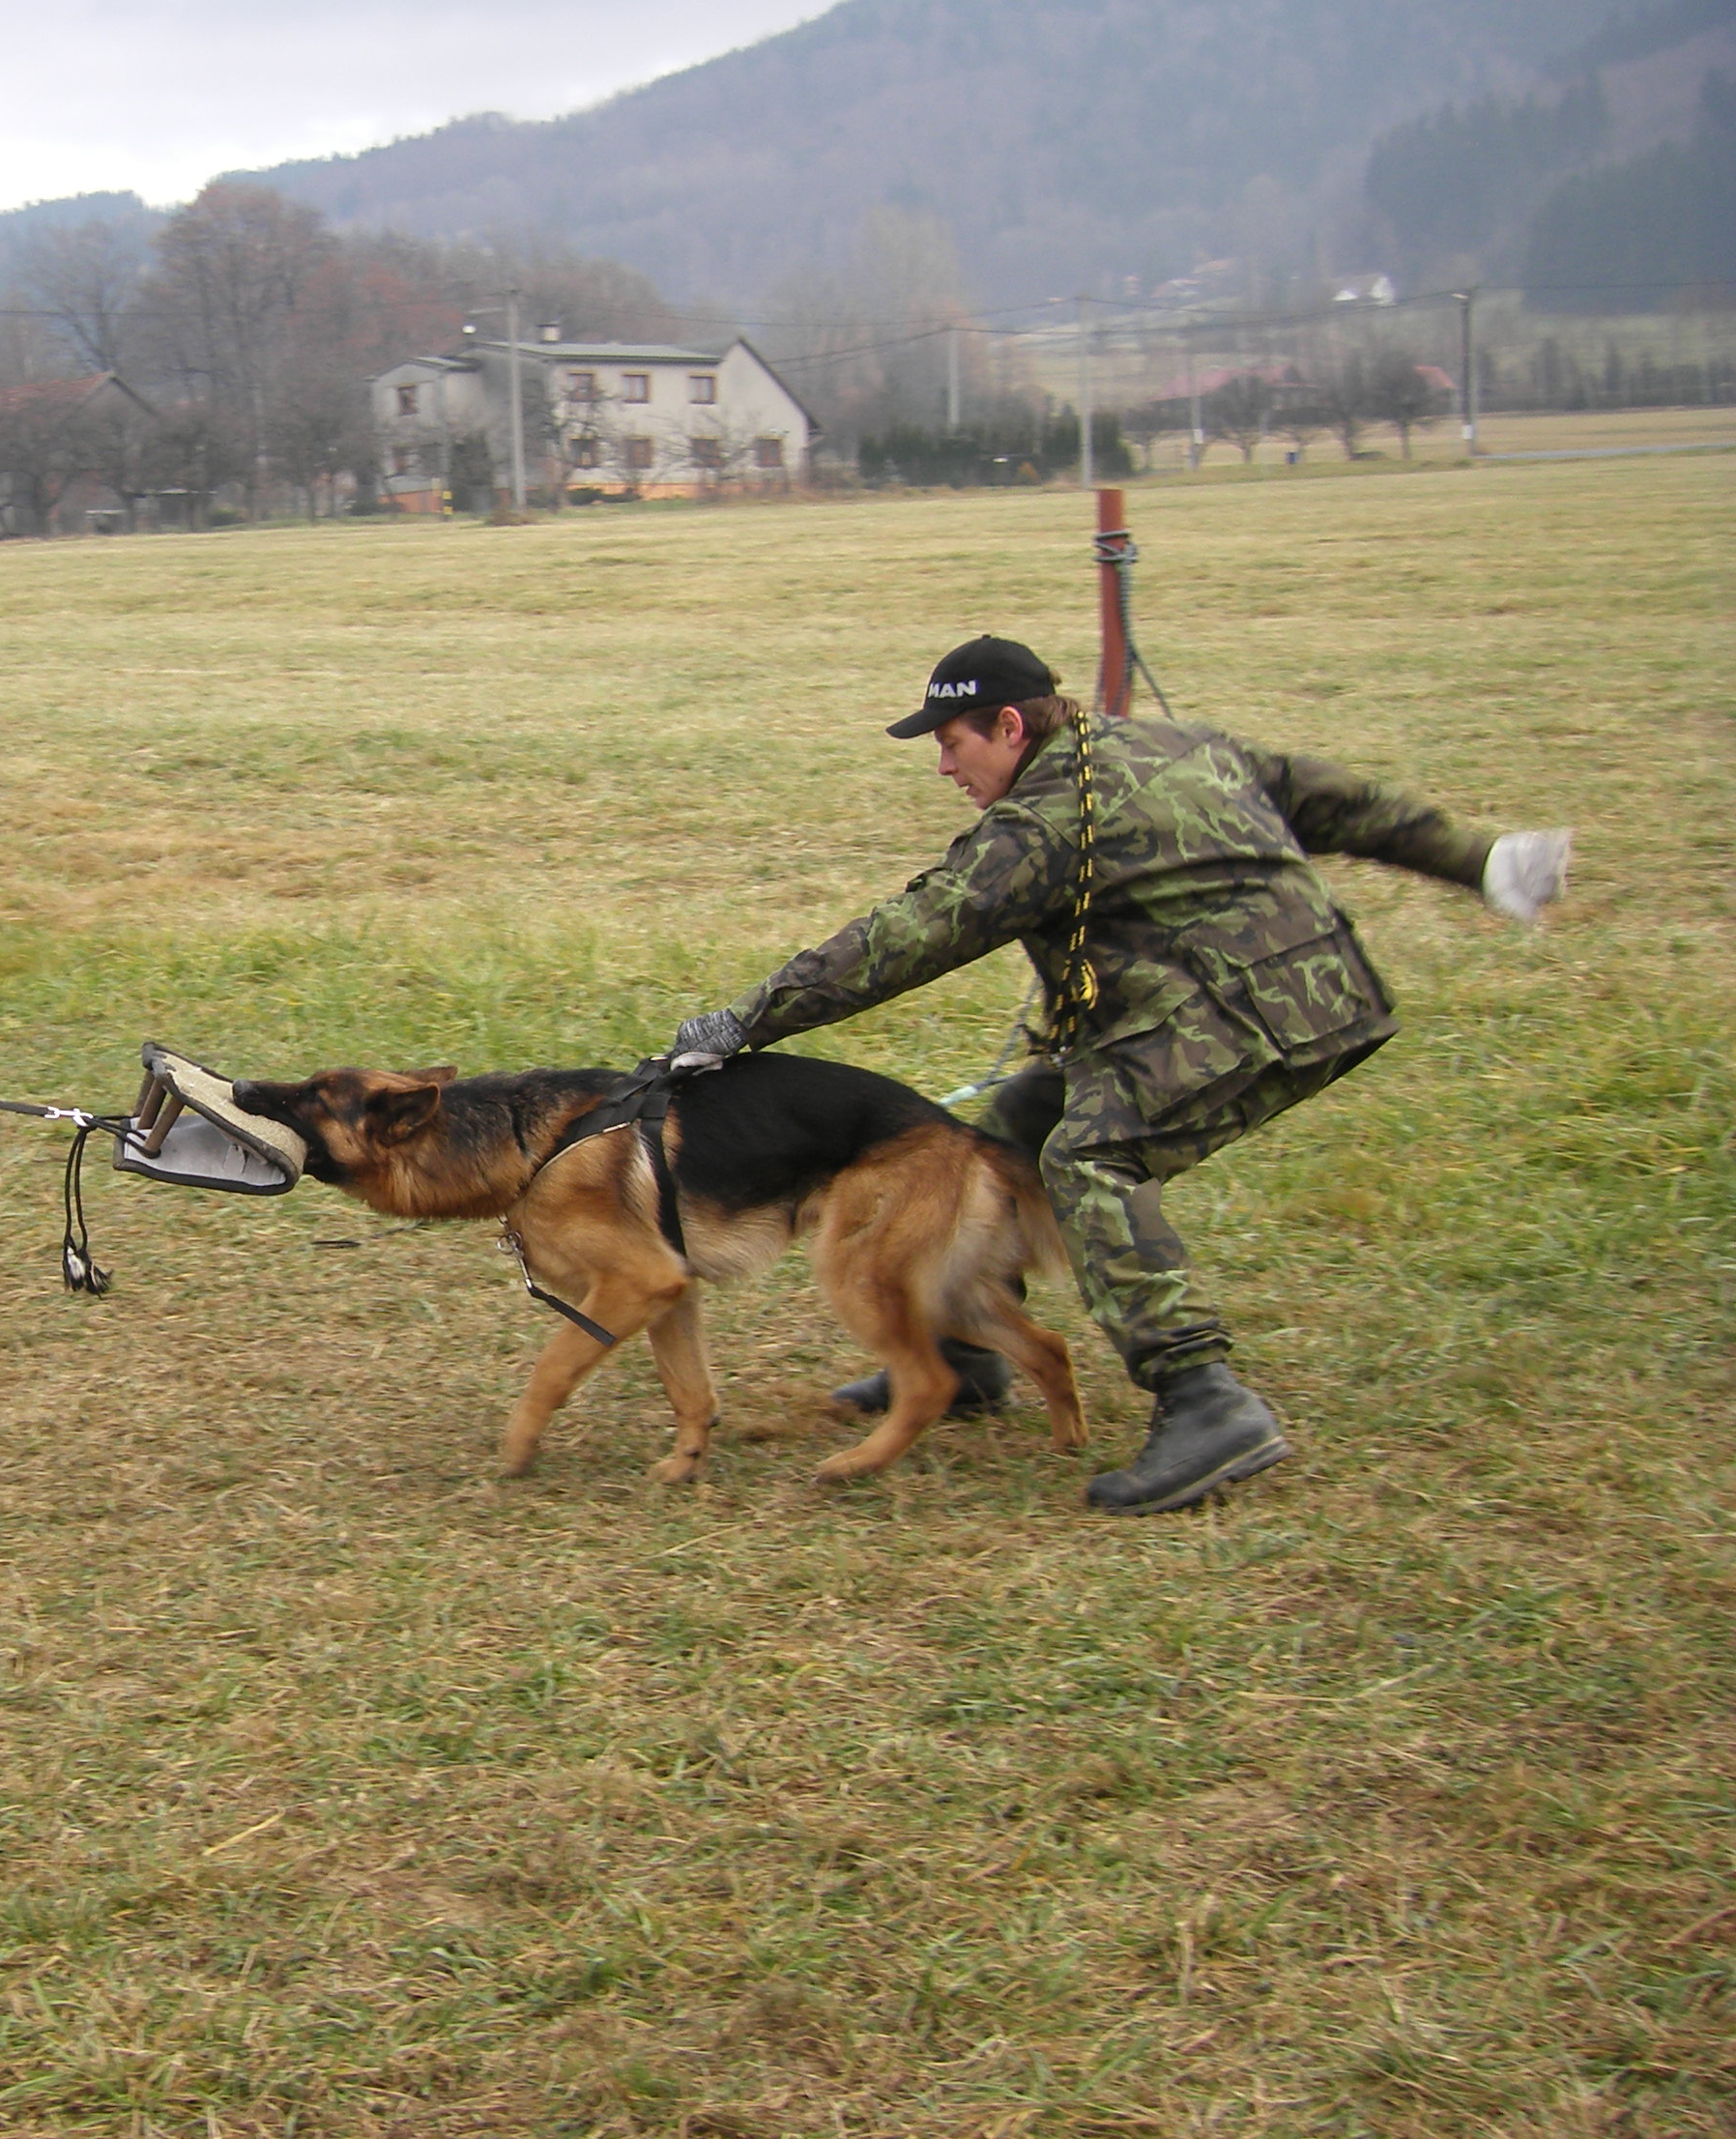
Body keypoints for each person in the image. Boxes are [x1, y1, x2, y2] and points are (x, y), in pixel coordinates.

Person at [667, 635, 1571, 1517]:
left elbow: (909, 936)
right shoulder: (1169, 744)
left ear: (1011, 727)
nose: (945, 768)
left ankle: (1205, 1398)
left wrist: (742, 1022)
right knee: (1014, 1126)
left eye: (952, 744)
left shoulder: (1042, 825)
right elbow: (1332, 799)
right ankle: (962, 1350)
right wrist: (1481, 859)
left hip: (1253, 1015)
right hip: (1302, 986)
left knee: (1090, 1158)